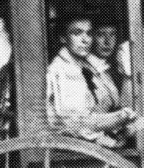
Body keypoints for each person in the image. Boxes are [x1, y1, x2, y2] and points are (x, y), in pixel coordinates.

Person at [46, 15, 134, 148]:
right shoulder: (64, 70)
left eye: (89, 33)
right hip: (73, 150)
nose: (85, 40)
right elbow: (77, 123)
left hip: (85, 142)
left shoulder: (79, 64)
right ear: (63, 37)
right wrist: (118, 119)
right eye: (77, 33)